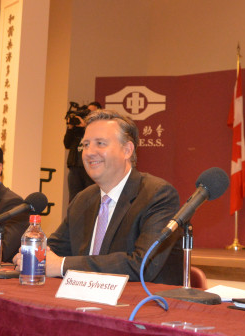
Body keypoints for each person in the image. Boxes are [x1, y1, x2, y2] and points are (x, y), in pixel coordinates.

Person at [16, 109, 182, 284]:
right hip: (84, 296)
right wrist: (31, 255)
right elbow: (54, 249)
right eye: (86, 144)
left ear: (127, 150)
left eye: (100, 143)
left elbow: (142, 264)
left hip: (142, 298)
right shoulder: (83, 199)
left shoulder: (157, 195)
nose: (89, 152)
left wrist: (62, 265)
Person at [64, 101, 101, 201]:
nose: (88, 114)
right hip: (75, 167)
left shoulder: (99, 128)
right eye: (87, 111)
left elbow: (98, 142)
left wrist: (86, 127)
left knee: (90, 198)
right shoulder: (76, 128)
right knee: (74, 199)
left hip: (90, 167)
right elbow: (67, 144)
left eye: (91, 112)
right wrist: (70, 128)